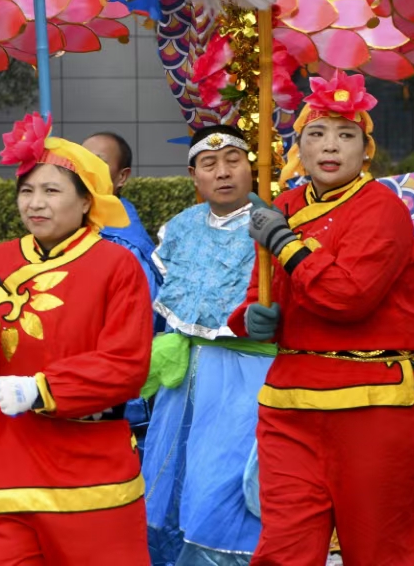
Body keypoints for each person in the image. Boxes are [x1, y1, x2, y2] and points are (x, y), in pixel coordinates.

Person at [227, 71, 414, 565]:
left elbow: (349, 298)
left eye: (346, 135)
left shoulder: (381, 208)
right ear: (299, 146)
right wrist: (252, 317)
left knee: (383, 549)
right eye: (316, 134)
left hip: (374, 402)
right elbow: (264, 292)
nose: (330, 146)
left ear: (367, 150)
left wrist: (283, 242)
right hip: (290, 402)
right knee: (283, 548)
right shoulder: (285, 207)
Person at [0, 113, 152, 566]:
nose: (35, 203)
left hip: (91, 463)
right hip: (7, 457)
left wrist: (42, 389)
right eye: (27, 190)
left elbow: (127, 366)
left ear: (86, 202)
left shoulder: (117, 266)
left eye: (52, 191)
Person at [142, 126, 276, 566]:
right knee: (170, 476)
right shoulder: (179, 228)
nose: (223, 172)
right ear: (194, 175)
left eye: (233, 160)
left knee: (229, 481)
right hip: (183, 378)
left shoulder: (274, 223)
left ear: (251, 167)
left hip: (247, 376)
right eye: (210, 164)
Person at [81, 131, 161, 299]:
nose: (86, 169)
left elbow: (142, 316)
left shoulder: (127, 246)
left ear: (122, 177)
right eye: (81, 160)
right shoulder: (69, 223)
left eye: (98, 162)